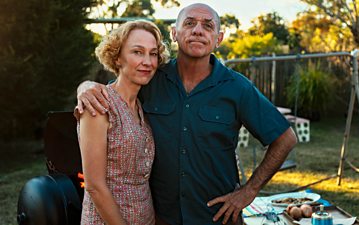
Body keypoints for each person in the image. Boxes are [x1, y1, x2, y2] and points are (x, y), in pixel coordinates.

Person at [77, 3, 297, 225]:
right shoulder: (151, 78)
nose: (198, 30)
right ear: (174, 33)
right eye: (189, 23)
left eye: (208, 26)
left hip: (217, 218)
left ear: (218, 39)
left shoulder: (237, 88)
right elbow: (114, 93)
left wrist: (249, 190)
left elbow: (285, 139)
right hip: (161, 219)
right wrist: (84, 87)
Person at [77, 20, 169, 225]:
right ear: (117, 57)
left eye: (153, 53)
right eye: (137, 52)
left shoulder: (141, 108)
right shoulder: (99, 104)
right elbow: (95, 186)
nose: (148, 61)